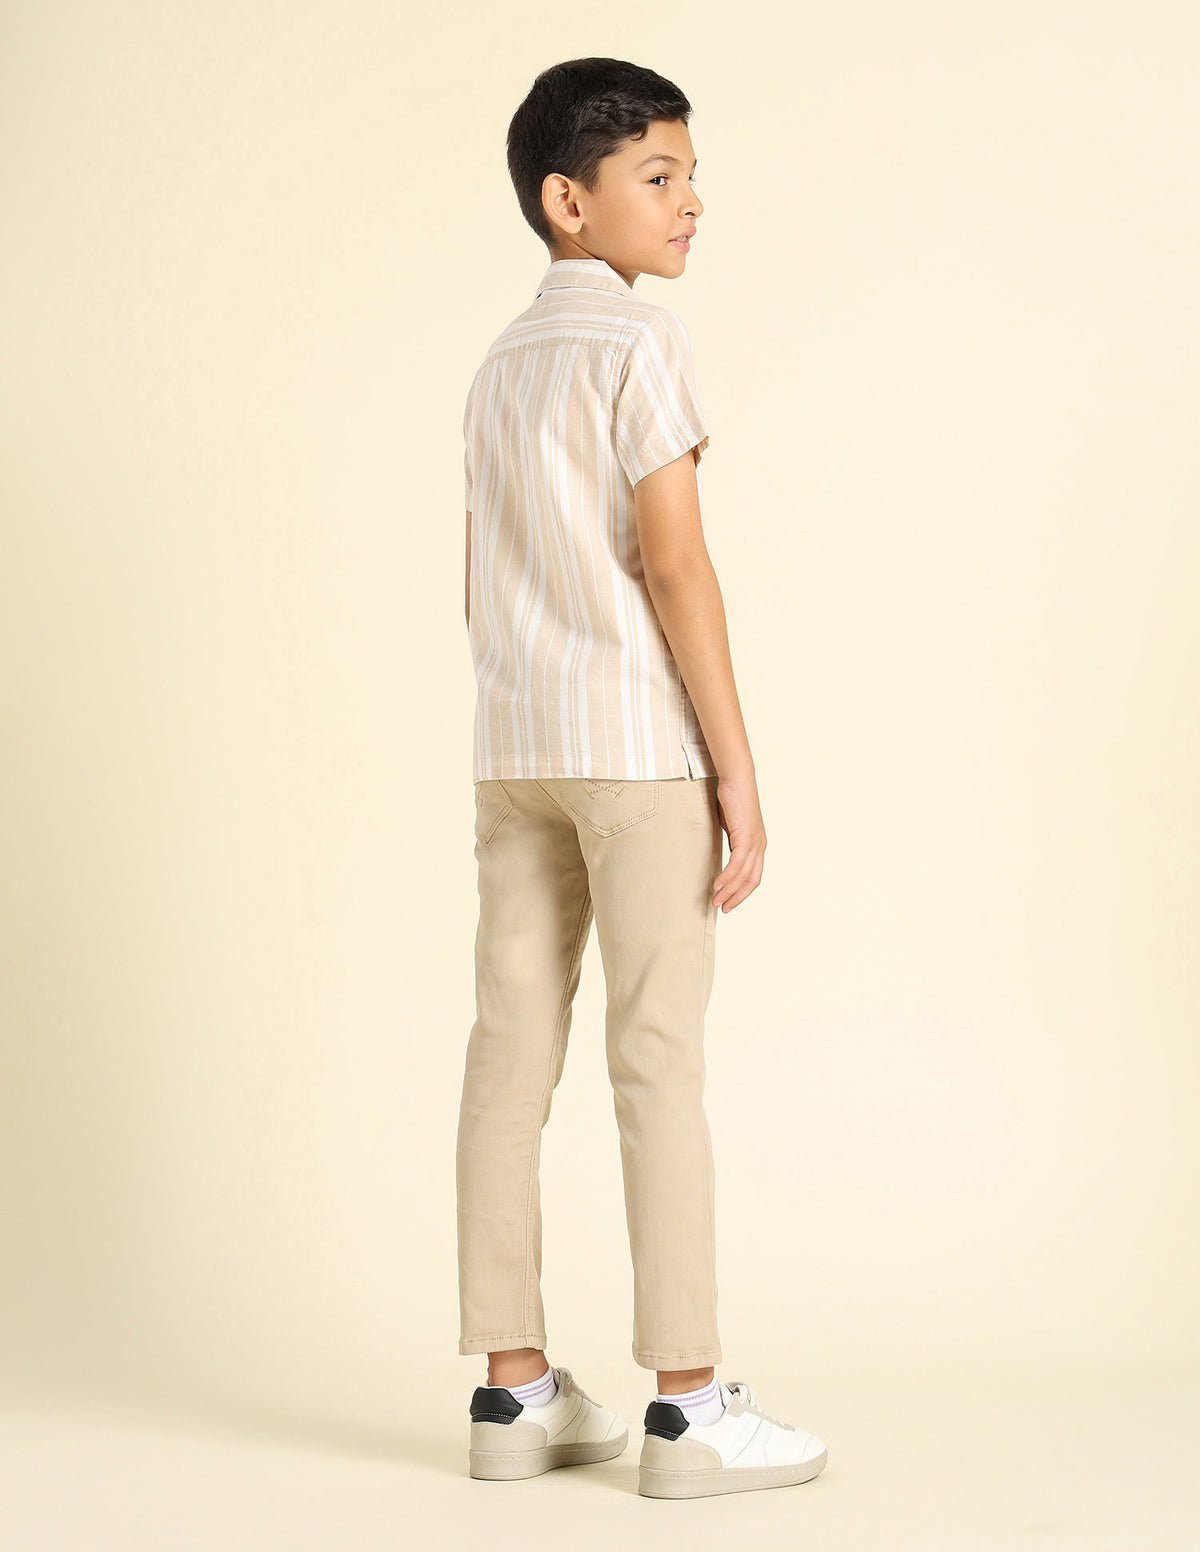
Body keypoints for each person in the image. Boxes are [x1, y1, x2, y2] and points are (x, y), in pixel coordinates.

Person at [455, 56, 828, 1499]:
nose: (689, 204)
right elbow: (676, 565)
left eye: (688, 176)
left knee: (508, 1057)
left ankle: (513, 1393)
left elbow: (481, 578)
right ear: (570, 201)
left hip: (514, 751)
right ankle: (688, 1407)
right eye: (657, 177)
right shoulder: (637, 342)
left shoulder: (499, 365)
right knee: (656, 1061)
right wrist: (737, 769)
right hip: (631, 753)